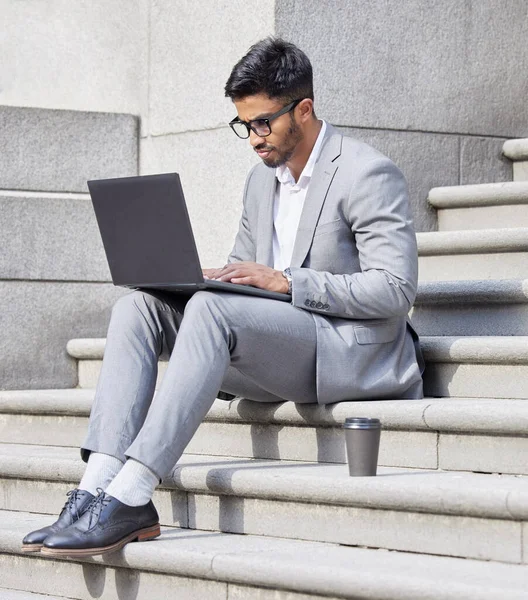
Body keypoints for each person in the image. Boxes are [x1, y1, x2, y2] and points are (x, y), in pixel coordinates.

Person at [22, 37, 424, 557]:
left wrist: (287, 280)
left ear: (303, 109)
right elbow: (243, 273)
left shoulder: (366, 172)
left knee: (211, 311)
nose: (253, 138)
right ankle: (97, 484)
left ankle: (134, 493)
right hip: (271, 342)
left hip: (343, 350)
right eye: (244, 124)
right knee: (138, 307)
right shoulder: (261, 181)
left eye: (263, 123)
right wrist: (209, 278)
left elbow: (395, 289)